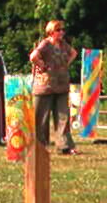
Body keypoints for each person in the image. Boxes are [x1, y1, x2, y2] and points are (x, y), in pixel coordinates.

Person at [29, 19, 77, 153]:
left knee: (63, 116)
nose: (62, 32)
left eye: (63, 30)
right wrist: (41, 65)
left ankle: (65, 146)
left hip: (61, 84)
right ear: (51, 32)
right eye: (58, 30)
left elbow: (74, 53)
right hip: (45, 86)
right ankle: (39, 145)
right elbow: (33, 56)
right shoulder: (45, 44)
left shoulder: (63, 45)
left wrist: (66, 63)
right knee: (41, 117)